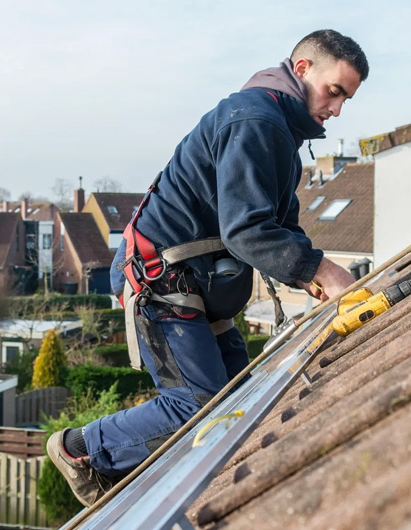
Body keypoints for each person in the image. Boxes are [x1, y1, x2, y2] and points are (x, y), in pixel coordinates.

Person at [47, 29, 369, 506]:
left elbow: (280, 227)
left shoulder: (278, 132)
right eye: (334, 91)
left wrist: (307, 271)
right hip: (161, 280)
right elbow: (246, 231)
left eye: (347, 98)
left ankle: (184, 486)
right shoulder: (255, 122)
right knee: (203, 408)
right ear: (302, 70)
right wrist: (320, 271)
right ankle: (81, 450)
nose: (337, 109)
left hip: (198, 283)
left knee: (242, 403)